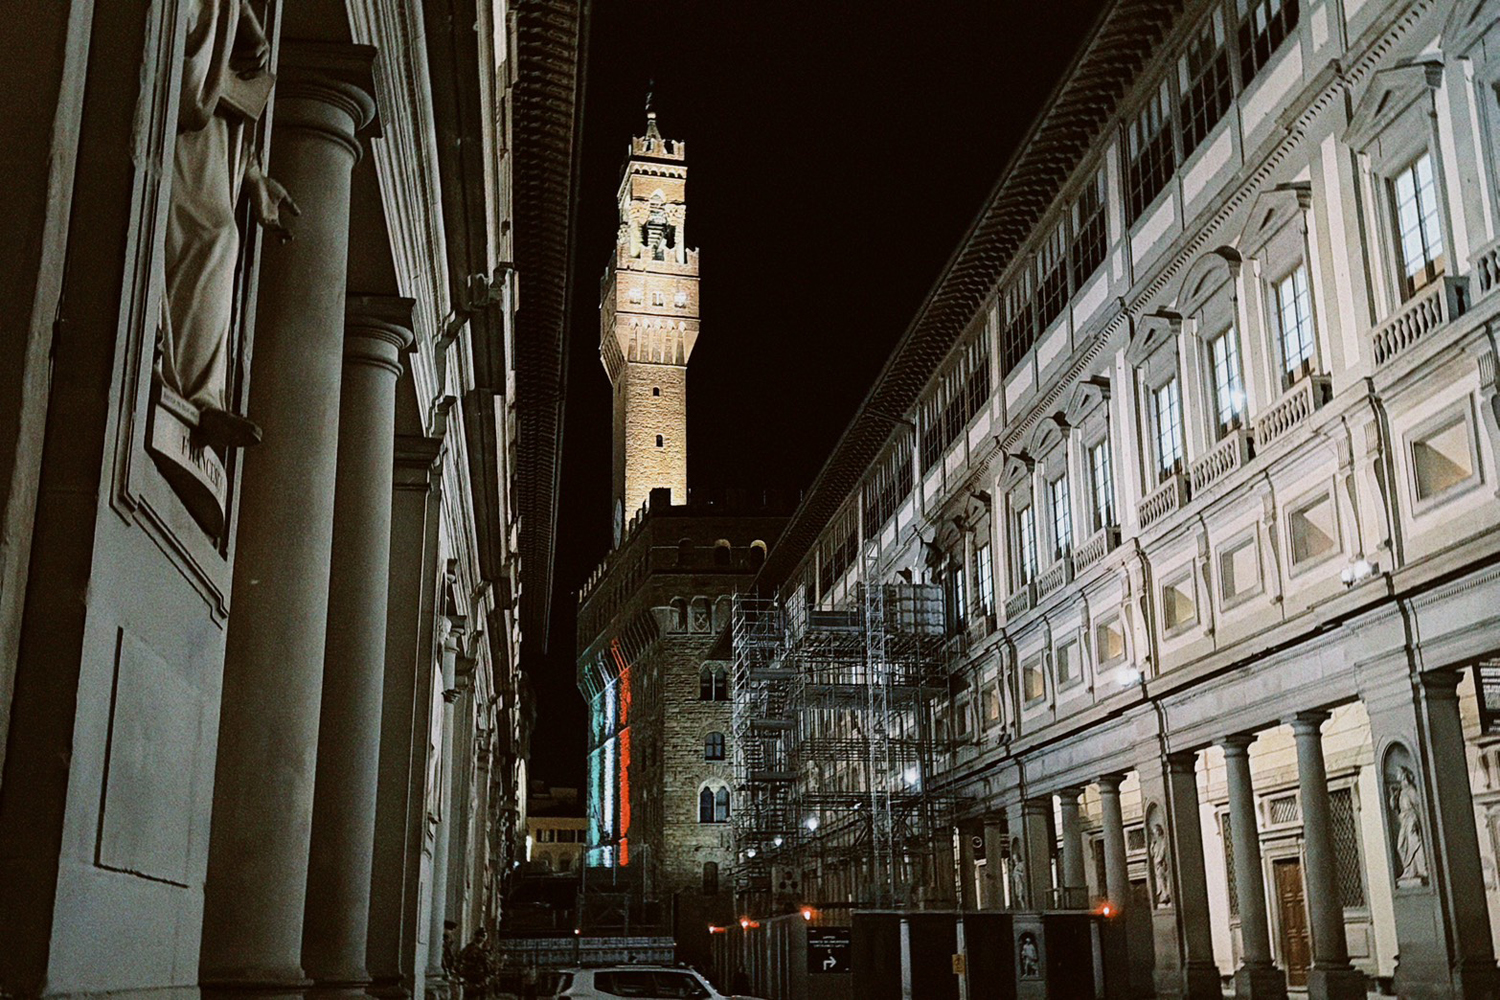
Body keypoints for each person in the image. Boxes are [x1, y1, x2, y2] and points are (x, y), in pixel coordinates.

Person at [164, 0, 298, 449]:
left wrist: (254, 176)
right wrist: (239, 26)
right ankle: (193, 395)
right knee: (214, 235)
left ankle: (205, 399)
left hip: (211, 126)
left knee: (223, 237)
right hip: (182, 118)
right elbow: (185, 69)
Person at [458, 927, 492, 1000]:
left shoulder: (467, 948)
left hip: (470, 977)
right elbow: (486, 965)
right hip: (476, 978)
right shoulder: (478, 950)